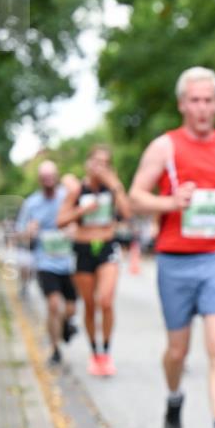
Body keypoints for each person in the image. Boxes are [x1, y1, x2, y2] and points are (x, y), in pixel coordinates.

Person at [129, 66, 215, 428]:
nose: (202, 108)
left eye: (209, 100)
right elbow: (135, 197)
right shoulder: (164, 147)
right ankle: (174, 396)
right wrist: (170, 204)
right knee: (178, 350)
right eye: (195, 100)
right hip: (175, 259)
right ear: (183, 104)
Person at [57, 145, 132, 377]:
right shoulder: (78, 190)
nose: (100, 167)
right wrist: (81, 211)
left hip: (107, 246)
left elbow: (128, 214)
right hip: (83, 248)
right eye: (96, 162)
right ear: (87, 164)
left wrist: (116, 186)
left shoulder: (113, 189)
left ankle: (107, 352)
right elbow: (60, 220)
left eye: (105, 163)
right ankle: (95, 353)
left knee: (106, 301)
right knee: (89, 304)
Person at [16, 160, 78, 367]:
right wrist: (29, 232)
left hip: (67, 262)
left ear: (57, 176)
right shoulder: (31, 203)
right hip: (45, 262)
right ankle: (55, 349)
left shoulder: (66, 198)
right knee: (53, 305)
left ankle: (67, 324)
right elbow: (20, 233)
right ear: (40, 180)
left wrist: (73, 229)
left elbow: (79, 220)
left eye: (51, 177)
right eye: (44, 178)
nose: (48, 181)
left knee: (70, 309)